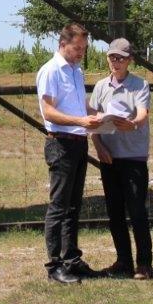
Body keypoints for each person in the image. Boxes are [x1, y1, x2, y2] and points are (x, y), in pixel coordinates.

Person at [36, 22, 102, 284]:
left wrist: (96, 115)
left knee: (74, 205)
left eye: (84, 49)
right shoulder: (50, 71)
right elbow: (48, 112)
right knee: (59, 206)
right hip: (61, 144)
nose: (81, 53)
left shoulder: (77, 71)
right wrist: (81, 121)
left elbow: (79, 104)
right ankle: (54, 267)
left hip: (77, 142)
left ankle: (71, 259)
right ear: (63, 45)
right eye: (77, 48)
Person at [89, 38, 153, 279]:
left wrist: (133, 124)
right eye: (112, 57)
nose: (116, 62)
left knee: (137, 212)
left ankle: (144, 264)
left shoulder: (140, 84)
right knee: (115, 212)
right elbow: (94, 120)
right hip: (109, 156)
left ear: (130, 61)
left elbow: (142, 113)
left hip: (133, 156)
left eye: (121, 58)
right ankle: (123, 261)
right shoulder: (100, 86)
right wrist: (97, 145)